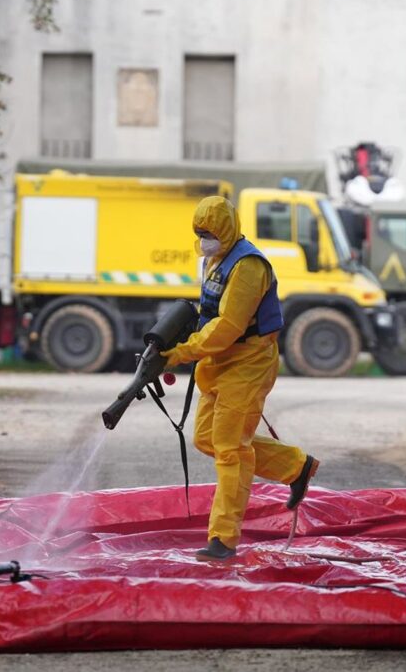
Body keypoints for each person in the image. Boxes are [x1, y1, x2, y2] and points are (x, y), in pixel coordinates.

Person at [161, 195, 319, 562]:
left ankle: (223, 540)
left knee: (230, 448)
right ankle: (297, 467)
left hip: (248, 362)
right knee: (206, 438)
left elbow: (229, 326)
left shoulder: (248, 267)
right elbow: (209, 315)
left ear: (227, 229)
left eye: (210, 233)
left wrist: (182, 353)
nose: (204, 240)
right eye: (199, 233)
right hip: (220, 361)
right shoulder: (215, 260)